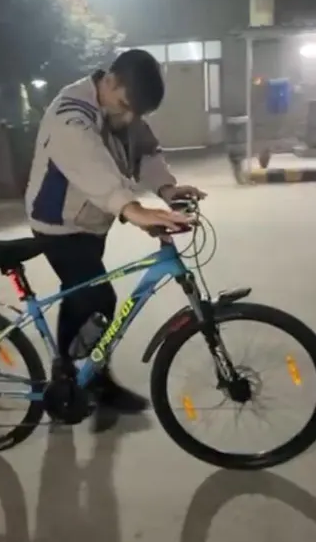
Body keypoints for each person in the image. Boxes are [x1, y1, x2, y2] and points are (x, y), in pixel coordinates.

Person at [24, 49, 206, 414]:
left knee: (78, 295)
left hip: (91, 221)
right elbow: (90, 165)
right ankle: (94, 382)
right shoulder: (70, 115)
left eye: (137, 112)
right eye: (124, 106)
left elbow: (146, 151)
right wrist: (133, 210)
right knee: (98, 299)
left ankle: (68, 375)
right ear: (108, 81)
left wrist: (167, 188)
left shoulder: (122, 107)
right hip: (59, 225)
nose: (129, 119)